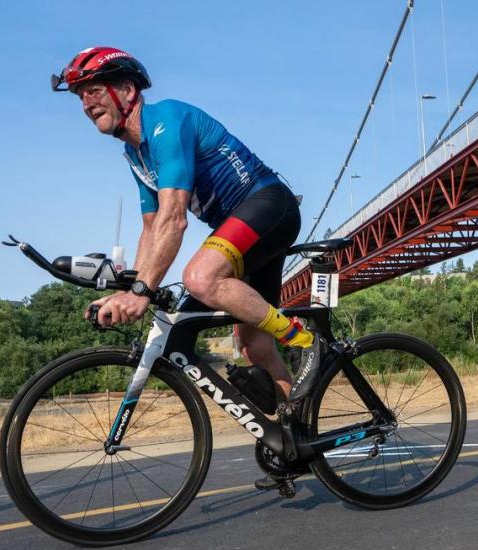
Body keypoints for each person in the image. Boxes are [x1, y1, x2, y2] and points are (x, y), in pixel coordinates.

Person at [50, 46, 323, 407]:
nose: (86, 103)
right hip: (242, 229)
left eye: (95, 91)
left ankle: (305, 341)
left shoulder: (166, 123)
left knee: (200, 277)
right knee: (254, 345)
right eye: (81, 96)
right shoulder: (135, 153)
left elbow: (173, 219)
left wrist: (142, 291)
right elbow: (151, 228)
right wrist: (131, 288)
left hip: (269, 206)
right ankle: (296, 435)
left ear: (128, 91)